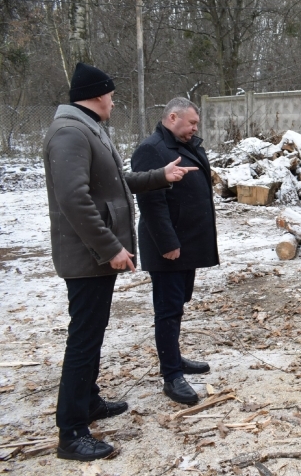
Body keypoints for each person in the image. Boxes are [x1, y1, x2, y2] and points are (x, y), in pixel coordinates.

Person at [44, 63, 197, 462]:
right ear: (97, 94)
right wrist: (111, 247)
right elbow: (74, 199)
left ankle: (89, 401)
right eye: (111, 94)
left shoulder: (88, 128)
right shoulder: (70, 133)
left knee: (92, 332)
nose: (114, 101)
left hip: (94, 256)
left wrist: (160, 175)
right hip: (87, 257)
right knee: (84, 338)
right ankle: (72, 431)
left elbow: (115, 182)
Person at [131, 98, 219, 405]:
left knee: (178, 304)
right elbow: (150, 203)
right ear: (172, 117)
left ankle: (175, 358)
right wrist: (167, 244)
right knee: (167, 310)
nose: (196, 128)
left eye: (196, 124)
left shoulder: (189, 144)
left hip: (189, 242)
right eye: (192, 123)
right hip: (169, 245)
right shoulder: (151, 150)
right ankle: (171, 376)